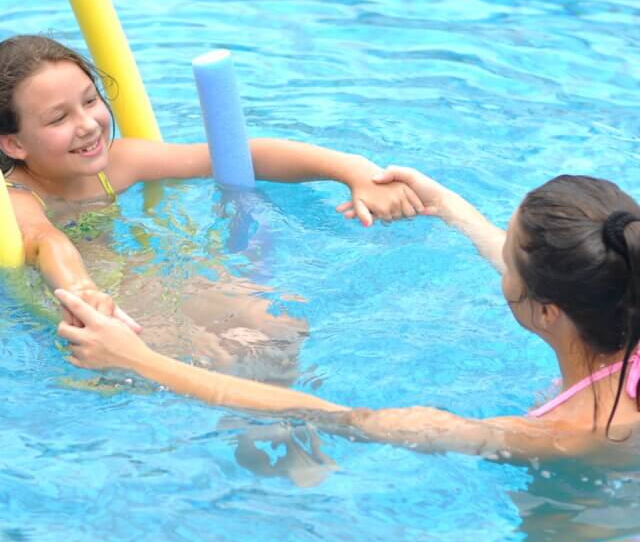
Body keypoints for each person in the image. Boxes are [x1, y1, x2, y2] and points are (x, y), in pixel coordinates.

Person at [55, 169, 640, 462]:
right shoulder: (619, 290)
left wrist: (140, 360)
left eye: (508, 262)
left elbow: (335, 416)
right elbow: (528, 261)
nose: (500, 264)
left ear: (547, 310)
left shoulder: (560, 436)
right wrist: (444, 205)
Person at [0, 35, 423, 329]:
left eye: (90, 101)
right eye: (59, 118)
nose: (88, 125)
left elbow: (236, 155)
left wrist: (352, 170)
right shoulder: (14, 198)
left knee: (278, 325)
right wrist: (84, 294)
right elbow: (46, 241)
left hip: (132, 279)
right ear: (14, 144)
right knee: (231, 347)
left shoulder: (119, 165)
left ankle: (283, 443)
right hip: (85, 303)